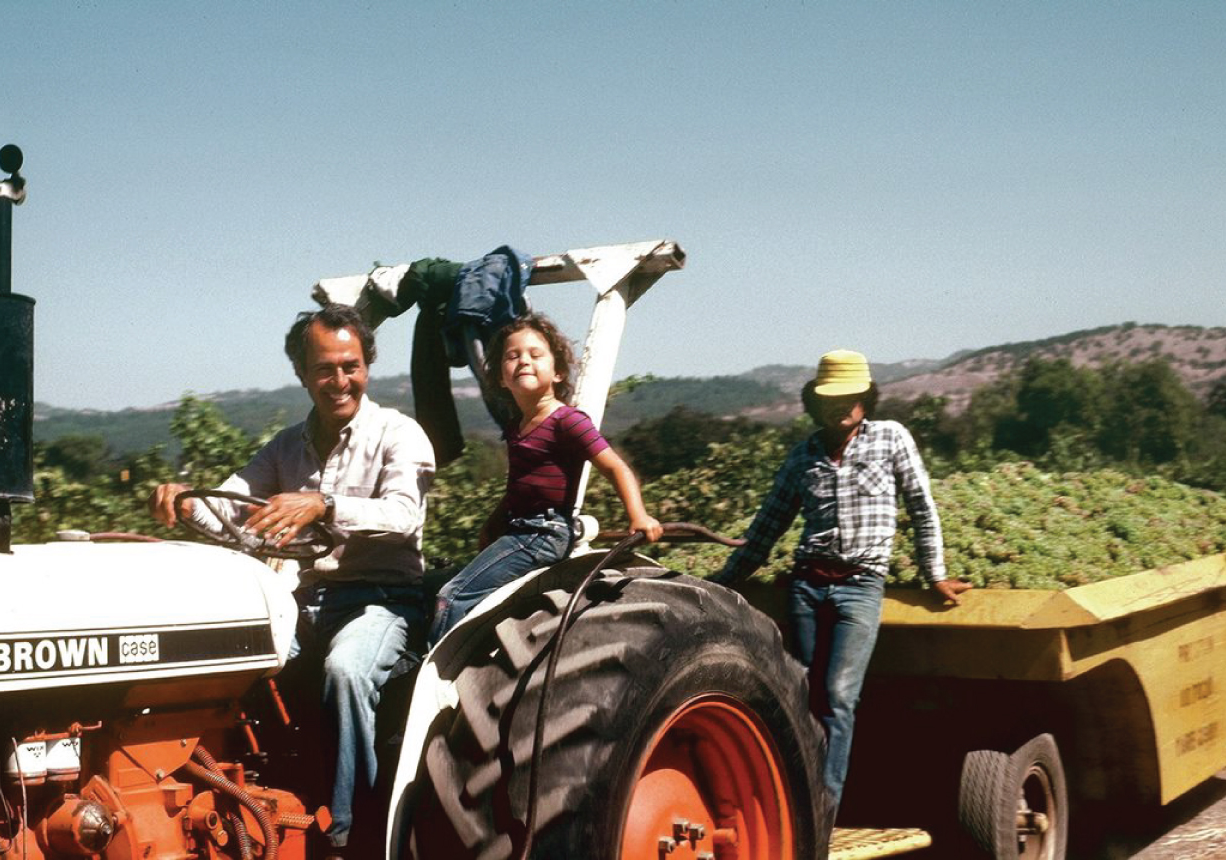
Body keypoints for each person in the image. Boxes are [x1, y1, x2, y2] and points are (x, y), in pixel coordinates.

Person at [148, 304, 435, 856]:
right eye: (324, 369)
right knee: (234, 658)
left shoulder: (399, 435)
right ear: (303, 374)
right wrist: (182, 499)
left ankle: (352, 833)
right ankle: (247, 799)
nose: (339, 381)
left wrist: (324, 504)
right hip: (308, 600)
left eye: (350, 366)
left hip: (385, 598)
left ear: (367, 366)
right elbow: (231, 509)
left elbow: (404, 516)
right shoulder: (285, 447)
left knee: (347, 669)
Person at [711, 349, 970, 814]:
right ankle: (796, 797)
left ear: (867, 399)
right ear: (814, 403)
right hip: (808, 586)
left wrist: (936, 574)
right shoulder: (804, 455)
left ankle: (823, 808)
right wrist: (724, 580)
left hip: (861, 585)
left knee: (838, 696)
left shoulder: (891, 439)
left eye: (852, 396)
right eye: (832, 398)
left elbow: (921, 507)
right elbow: (767, 526)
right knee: (804, 694)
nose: (842, 406)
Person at [427, 312, 662, 645]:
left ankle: (435, 674)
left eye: (535, 355)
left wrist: (638, 515)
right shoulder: (517, 427)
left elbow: (615, 467)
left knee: (452, 595)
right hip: (519, 530)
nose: (524, 361)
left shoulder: (567, 421)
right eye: (513, 356)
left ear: (558, 372)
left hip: (543, 532)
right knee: (445, 585)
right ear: (500, 379)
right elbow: (519, 488)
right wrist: (492, 525)